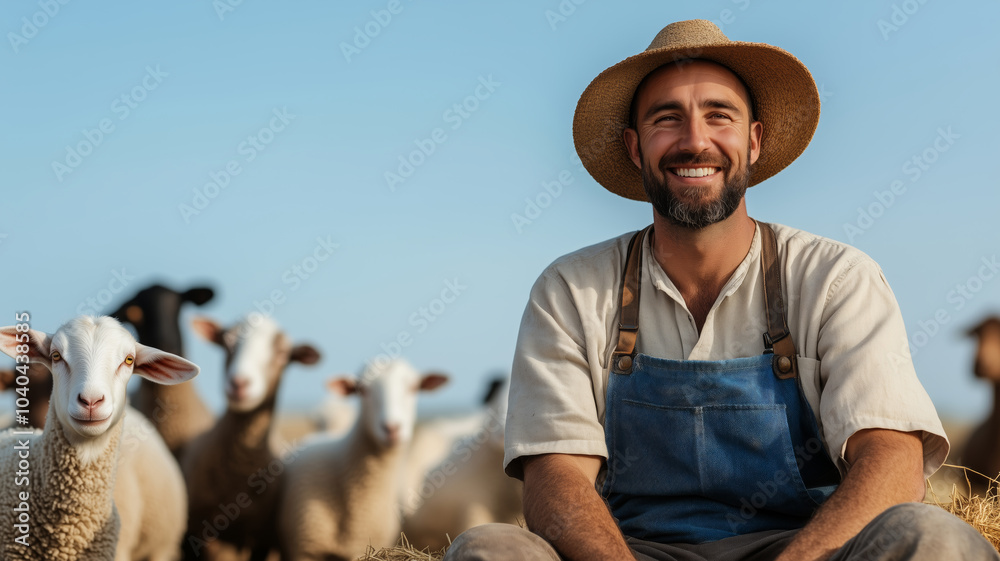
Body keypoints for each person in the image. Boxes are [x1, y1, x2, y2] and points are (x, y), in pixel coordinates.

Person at [444, 19, 998, 561]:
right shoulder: (570, 289)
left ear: (753, 140)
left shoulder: (835, 278)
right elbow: (555, 479)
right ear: (635, 149)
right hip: (629, 551)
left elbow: (892, 459)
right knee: (488, 548)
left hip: (808, 546)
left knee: (935, 539)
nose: (695, 140)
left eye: (719, 115)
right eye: (667, 119)